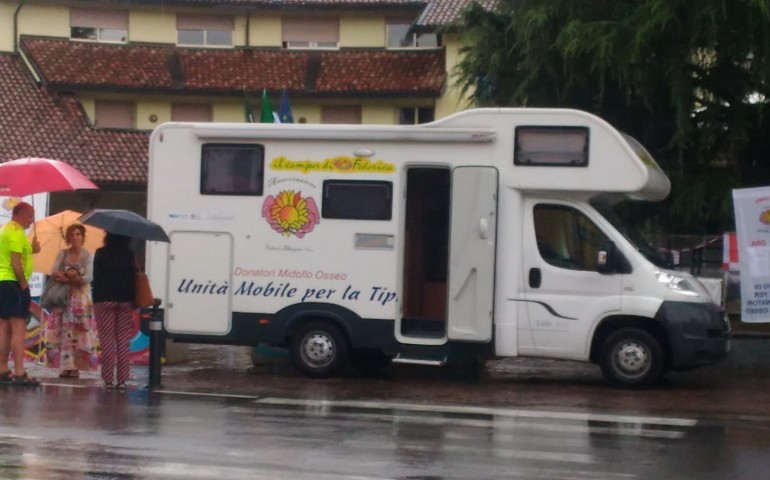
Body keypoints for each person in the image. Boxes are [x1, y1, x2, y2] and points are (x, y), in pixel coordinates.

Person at [44, 224, 99, 378]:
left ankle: (76, 366)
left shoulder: (88, 256)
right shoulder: (63, 254)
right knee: (62, 331)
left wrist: (74, 277)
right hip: (63, 298)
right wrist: (66, 275)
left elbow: (89, 277)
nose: (75, 237)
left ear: (83, 236)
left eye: (78, 234)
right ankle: (64, 365)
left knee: (79, 332)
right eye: (72, 234)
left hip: (80, 300)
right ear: (68, 237)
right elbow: (54, 272)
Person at [0, 202, 41, 385]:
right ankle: (19, 371)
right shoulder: (16, 232)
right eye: (30, 216)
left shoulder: (5, 230)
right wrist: (23, 284)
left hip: (3, 282)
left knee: (5, 328)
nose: (32, 220)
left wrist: (31, 249)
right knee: (18, 329)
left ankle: (2, 368)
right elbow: (15, 261)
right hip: (13, 283)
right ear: (21, 214)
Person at [92, 232, 135, 391]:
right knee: (123, 342)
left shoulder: (101, 253)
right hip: (125, 301)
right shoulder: (129, 255)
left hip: (104, 300)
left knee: (107, 342)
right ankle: (122, 380)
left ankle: (108, 380)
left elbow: (96, 278)